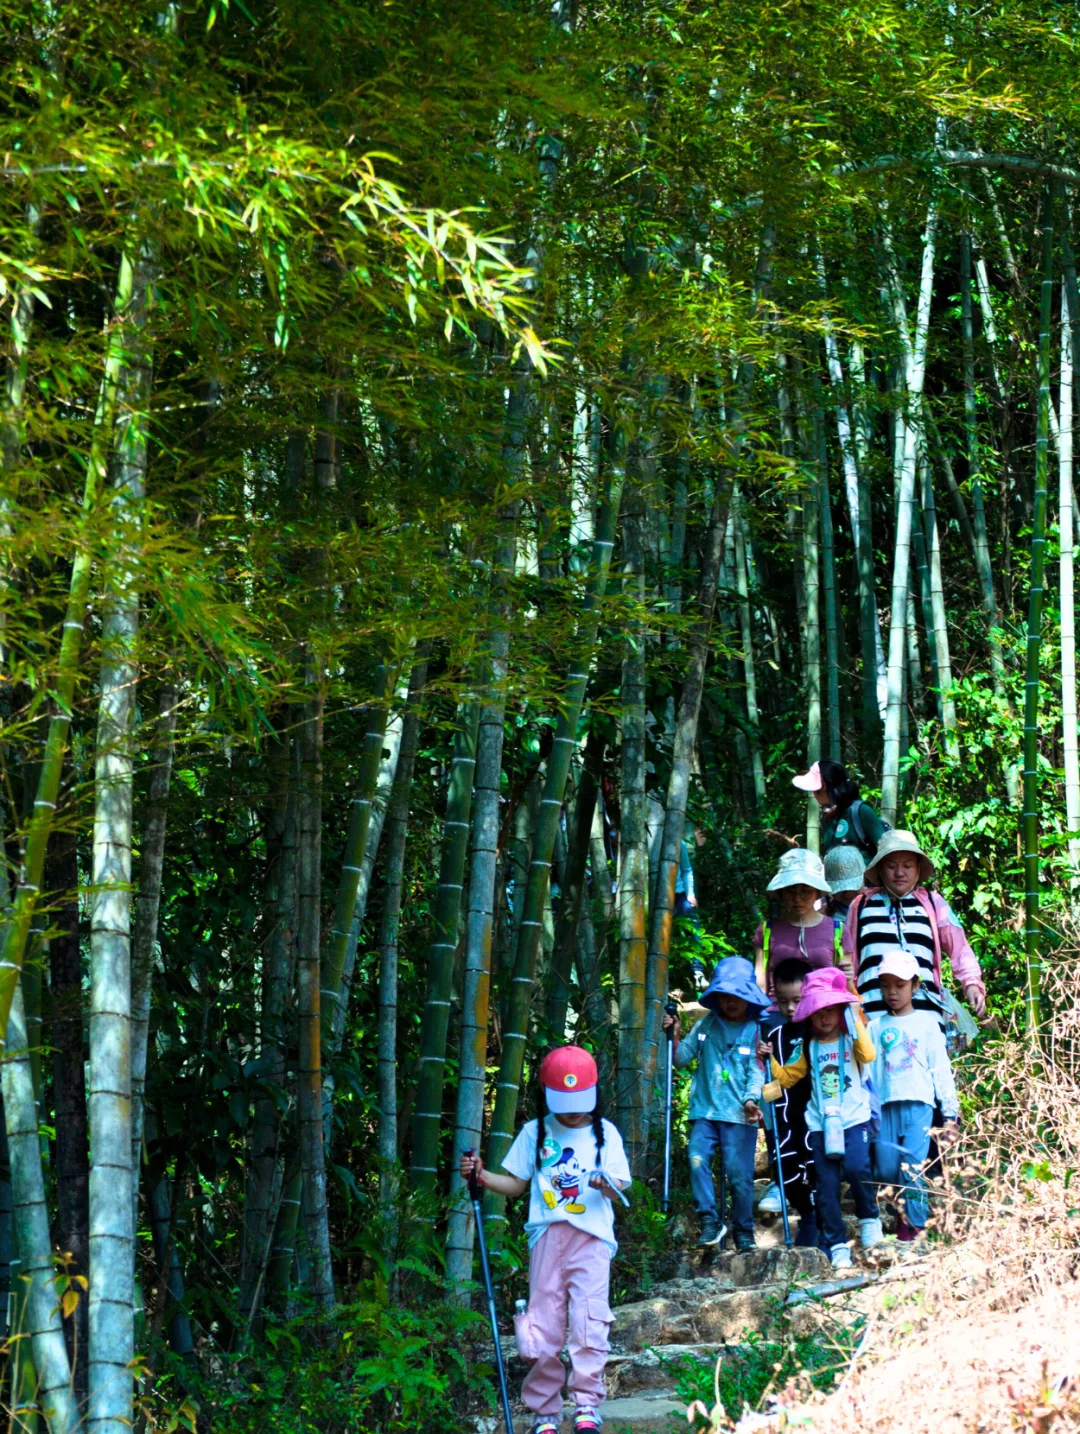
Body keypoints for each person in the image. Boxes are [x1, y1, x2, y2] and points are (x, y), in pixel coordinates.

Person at [459, 1046, 630, 1434]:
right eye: (563, 1102)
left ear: (595, 1093)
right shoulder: (535, 1132)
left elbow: (620, 1186)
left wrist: (607, 1185)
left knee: (589, 1321)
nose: (573, 1110)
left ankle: (587, 1405)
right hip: (547, 1238)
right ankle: (546, 1412)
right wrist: (481, 1176)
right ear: (546, 1095)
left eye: (580, 1101)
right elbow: (516, 1185)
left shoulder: (608, 1134)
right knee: (545, 1325)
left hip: (593, 1240)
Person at [763, 966, 882, 1269]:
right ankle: (837, 1243)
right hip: (819, 1124)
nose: (825, 1017)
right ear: (810, 1015)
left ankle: (869, 1216)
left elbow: (868, 1055)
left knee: (857, 1168)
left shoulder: (850, 1037)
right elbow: (788, 1077)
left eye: (831, 1009)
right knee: (826, 1188)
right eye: (819, 1010)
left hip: (854, 1119)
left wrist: (854, 1017)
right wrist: (768, 1060)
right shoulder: (809, 1044)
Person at [663, 957, 768, 1250]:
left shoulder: (757, 1029)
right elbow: (681, 1058)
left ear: (749, 997)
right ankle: (710, 1221)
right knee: (697, 1158)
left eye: (738, 995)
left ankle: (743, 1230)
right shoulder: (707, 1024)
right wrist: (673, 1035)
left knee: (740, 1177)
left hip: (738, 1115)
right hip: (704, 1112)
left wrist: (750, 1100)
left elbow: (757, 1071)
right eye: (724, 995)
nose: (731, 1001)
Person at [842, 830, 987, 1029]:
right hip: (871, 1019)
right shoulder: (861, 906)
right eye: (891, 866)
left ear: (918, 869)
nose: (899, 873)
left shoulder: (934, 904)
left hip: (925, 1018)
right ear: (880, 869)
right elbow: (845, 959)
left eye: (907, 866)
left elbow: (959, 949)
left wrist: (971, 984)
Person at [869, 950, 960, 1242]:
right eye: (886, 984)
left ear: (915, 986)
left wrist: (950, 1113)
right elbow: (867, 1072)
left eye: (900, 985)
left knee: (912, 1168)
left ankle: (914, 1229)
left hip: (919, 1105)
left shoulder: (927, 1024)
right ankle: (903, 1213)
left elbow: (940, 1068)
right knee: (885, 1167)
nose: (892, 991)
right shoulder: (874, 1026)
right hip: (884, 1107)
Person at [755, 958, 819, 1246]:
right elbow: (771, 1081)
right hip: (783, 1117)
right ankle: (805, 1213)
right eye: (783, 1001)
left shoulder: (819, 1029)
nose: (791, 1008)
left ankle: (818, 1219)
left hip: (814, 1114)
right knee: (788, 1172)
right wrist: (768, 1115)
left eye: (797, 1000)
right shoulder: (774, 1035)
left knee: (817, 1167)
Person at [754, 848, 841, 993]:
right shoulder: (766, 931)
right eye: (790, 891)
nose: (797, 899)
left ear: (817, 892)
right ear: (781, 892)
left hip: (822, 1012)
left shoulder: (837, 930)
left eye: (806, 891)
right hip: (776, 1011)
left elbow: (843, 984)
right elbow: (760, 982)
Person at [792, 759, 889, 860]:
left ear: (824, 786)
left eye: (814, 790)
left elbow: (888, 851)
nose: (813, 793)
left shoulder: (861, 811)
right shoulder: (829, 817)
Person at [824, 844, 866, 921]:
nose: (847, 894)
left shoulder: (877, 906)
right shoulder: (825, 918)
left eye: (853, 887)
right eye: (840, 890)